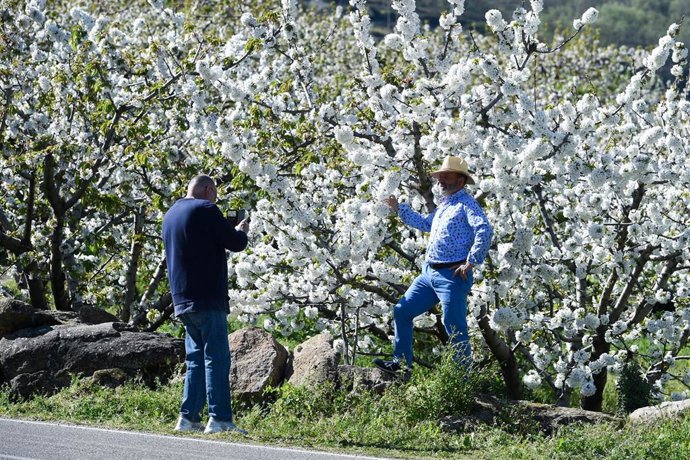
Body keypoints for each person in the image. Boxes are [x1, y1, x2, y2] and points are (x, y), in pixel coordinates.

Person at [374, 156, 493, 375]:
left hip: (452, 275)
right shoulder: (446, 205)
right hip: (429, 273)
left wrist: (471, 262)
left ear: (461, 180)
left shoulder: (467, 204)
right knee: (401, 311)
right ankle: (401, 367)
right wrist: (398, 208)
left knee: (454, 326)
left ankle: (462, 381)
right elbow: (426, 224)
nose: (441, 181)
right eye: (440, 177)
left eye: (446, 177)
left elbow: (484, 230)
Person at [162, 174, 250, 434]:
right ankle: (220, 418)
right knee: (216, 358)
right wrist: (241, 230)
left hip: (182, 297)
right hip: (208, 296)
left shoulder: (171, 213)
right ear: (207, 189)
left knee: (196, 359)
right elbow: (235, 243)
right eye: (215, 194)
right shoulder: (207, 208)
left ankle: (188, 418)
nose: (216, 200)